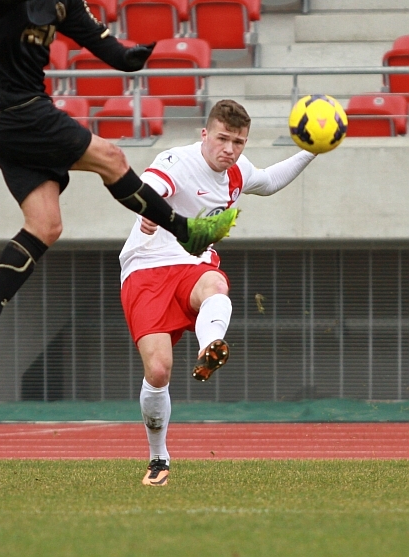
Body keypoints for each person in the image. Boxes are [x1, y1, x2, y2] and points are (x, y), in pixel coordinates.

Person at [0, 0, 236, 382]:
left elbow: (98, 41)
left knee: (45, 225)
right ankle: (185, 230)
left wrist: (131, 57)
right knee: (110, 157)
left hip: (12, 121)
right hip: (13, 110)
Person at [119, 99, 316, 486]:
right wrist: (147, 211)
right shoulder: (178, 160)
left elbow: (268, 182)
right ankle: (158, 458)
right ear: (205, 134)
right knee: (158, 370)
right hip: (146, 268)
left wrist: (312, 150)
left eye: (238, 142)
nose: (230, 149)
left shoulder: (238, 171)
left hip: (192, 264)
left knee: (216, 283)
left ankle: (210, 347)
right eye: (223, 139)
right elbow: (150, 186)